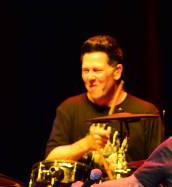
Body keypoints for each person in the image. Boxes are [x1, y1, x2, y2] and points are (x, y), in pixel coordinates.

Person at [45, 34, 163, 163]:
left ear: (117, 72)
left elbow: (158, 167)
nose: (90, 77)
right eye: (85, 70)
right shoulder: (69, 108)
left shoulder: (146, 111)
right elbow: (50, 159)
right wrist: (86, 144)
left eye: (97, 70)